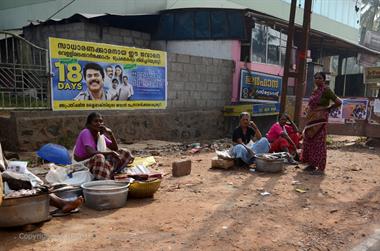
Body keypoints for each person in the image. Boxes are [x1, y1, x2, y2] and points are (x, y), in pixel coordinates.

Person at [301, 72, 342, 175]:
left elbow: (338, 102)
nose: (318, 80)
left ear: (324, 80)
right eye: (316, 78)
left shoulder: (326, 90)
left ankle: (320, 168)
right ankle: (311, 164)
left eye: (320, 78)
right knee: (309, 140)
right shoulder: (315, 91)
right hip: (311, 119)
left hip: (320, 120)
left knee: (319, 143)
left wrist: (328, 109)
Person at [73, 112, 134, 180]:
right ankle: (103, 177)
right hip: (82, 164)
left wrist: (110, 133)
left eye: (101, 121)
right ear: (89, 124)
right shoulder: (86, 132)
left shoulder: (99, 135)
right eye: (96, 121)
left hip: (98, 163)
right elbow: (91, 152)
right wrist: (110, 153)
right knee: (99, 156)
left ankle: (106, 172)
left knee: (125, 152)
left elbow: (115, 148)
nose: (99, 123)